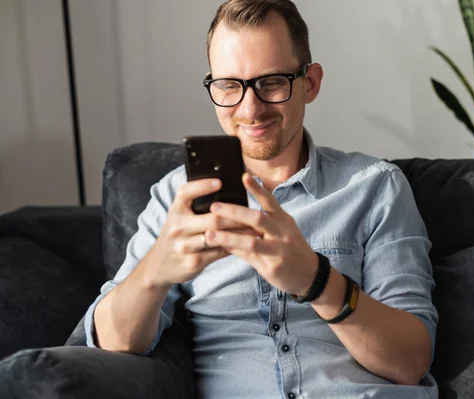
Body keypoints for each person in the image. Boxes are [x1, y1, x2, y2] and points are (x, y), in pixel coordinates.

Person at [84, 0, 438, 397]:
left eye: (271, 82)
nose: (250, 109)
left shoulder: (374, 188)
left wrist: (316, 279)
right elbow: (113, 343)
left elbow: (411, 362)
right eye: (230, 86)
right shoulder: (175, 197)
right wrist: (156, 271)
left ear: (310, 83)